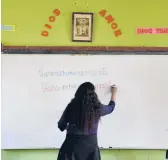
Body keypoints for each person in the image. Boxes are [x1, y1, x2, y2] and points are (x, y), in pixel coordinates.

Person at [57, 82, 117, 160]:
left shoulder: (71, 107)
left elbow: (61, 126)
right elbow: (111, 108)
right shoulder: (97, 108)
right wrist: (114, 92)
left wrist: (70, 126)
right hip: (90, 148)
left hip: (71, 148)